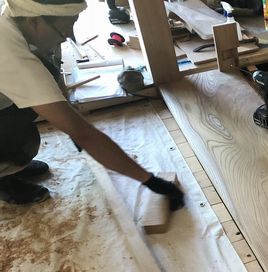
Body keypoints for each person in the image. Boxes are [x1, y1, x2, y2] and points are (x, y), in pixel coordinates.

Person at [0, 0, 184, 208]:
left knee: (34, 98)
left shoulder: (16, 18)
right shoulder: (11, 55)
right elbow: (84, 133)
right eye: (64, 29)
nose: (69, 35)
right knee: (19, 134)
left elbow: (52, 79)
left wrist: (70, 115)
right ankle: (3, 176)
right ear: (34, 21)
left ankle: (11, 163)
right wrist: (150, 181)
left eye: (73, 23)